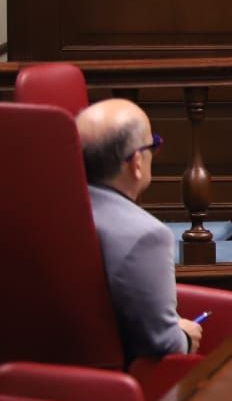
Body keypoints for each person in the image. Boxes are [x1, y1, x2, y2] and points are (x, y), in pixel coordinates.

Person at [77, 98, 203, 361]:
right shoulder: (145, 235)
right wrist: (186, 335)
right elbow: (165, 346)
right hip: (131, 388)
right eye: (153, 144)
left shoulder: (47, 209)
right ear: (135, 163)